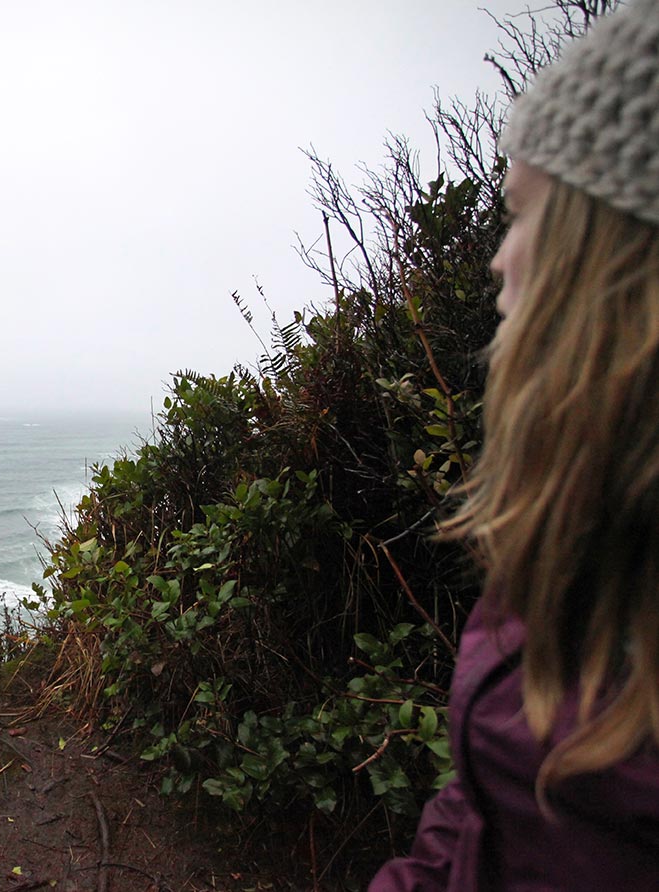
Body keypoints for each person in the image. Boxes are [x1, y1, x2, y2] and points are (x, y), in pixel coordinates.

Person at [370, 1, 659, 888]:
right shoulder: (582, 518)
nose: (498, 259)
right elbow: (485, 806)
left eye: (524, 213)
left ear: (615, 253)